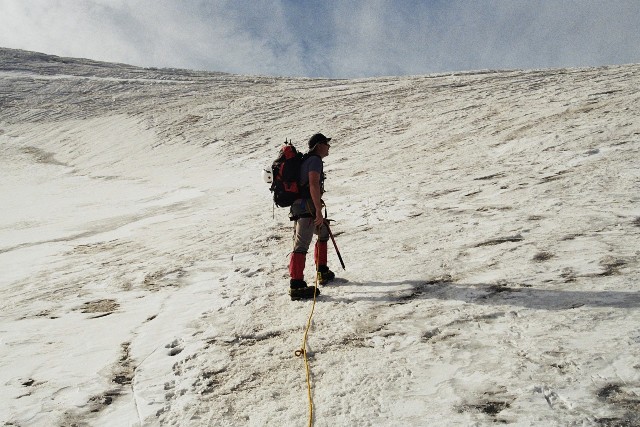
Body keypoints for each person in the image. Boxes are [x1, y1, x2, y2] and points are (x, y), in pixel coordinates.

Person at [288, 133, 336, 300]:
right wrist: (318, 210)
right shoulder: (314, 161)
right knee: (301, 245)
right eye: (326, 144)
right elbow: (313, 184)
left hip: (301, 206)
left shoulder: (308, 160)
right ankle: (296, 285)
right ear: (319, 145)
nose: (329, 147)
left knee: (323, 231)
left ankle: (321, 270)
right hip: (305, 208)